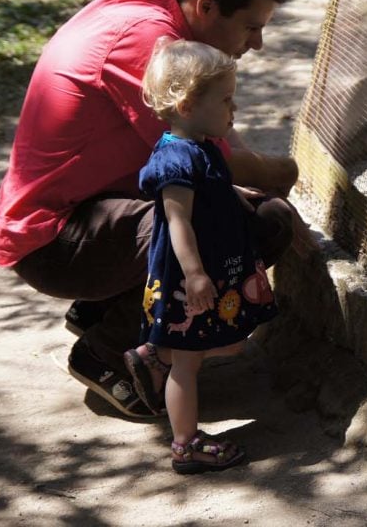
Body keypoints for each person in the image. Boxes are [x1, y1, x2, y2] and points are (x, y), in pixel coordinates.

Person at [0, 0, 309, 418]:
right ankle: (107, 352)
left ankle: (105, 311)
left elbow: (218, 140)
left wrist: (257, 174)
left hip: (80, 218)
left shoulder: (149, 8)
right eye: (250, 27)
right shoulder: (148, 41)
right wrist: (282, 170)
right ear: (205, 6)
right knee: (255, 222)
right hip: (53, 242)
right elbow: (215, 159)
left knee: (241, 205)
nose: (257, 44)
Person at [124, 38, 272, 473]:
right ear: (187, 106)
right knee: (188, 362)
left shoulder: (200, 146)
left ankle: (157, 352)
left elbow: (202, 196)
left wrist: (228, 193)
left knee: (225, 341)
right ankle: (185, 445)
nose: (234, 109)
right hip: (193, 276)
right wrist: (194, 275)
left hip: (211, 268)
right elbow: (177, 222)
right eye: (225, 100)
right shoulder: (175, 159)